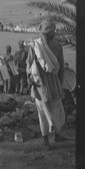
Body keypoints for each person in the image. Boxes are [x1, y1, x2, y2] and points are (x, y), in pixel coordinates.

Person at [26, 19, 69, 149]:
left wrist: (30, 85)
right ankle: (57, 135)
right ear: (53, 33)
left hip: (39, 86)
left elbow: (29, 67)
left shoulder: (34, 46)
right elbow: (61, 68)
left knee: (42, 114)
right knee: (57, 110)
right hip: (54, 84)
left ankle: (46, 142)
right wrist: (59, 83)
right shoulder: (58, 46)